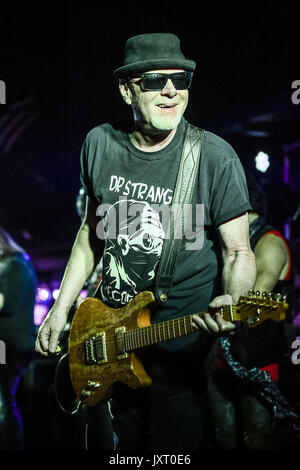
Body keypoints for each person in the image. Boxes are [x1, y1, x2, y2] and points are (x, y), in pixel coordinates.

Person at [35, 33, 256, 450]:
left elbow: (239, 251)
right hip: (107, 333)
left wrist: (234, 297)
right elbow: (89, 233)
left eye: (181, 79)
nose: (171, 90)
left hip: (179, 340)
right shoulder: (98, 143)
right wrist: (60, 309)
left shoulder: (214, 156)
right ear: (126, 90)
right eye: (155, 80)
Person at [207, 171, 296, 449]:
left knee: (257, 439)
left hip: (259, 360)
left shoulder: (270, 242)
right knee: (223, 437)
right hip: (223, 356)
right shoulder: (232, 242)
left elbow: (252, 299)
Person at [0, 226, 37, 450]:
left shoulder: (15, 265)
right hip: (7, 345)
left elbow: (9, 302)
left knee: (3, 401)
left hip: (11, 345)